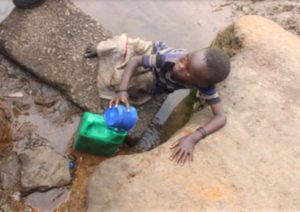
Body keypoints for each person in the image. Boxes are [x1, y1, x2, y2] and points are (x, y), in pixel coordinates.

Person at [85, 41, 230, 166]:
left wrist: (193, 138)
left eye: (188, 72)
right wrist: (122, 91)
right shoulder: (172, 59)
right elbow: (136, 60)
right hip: (153, 53)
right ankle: (101, 49)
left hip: (159, 81)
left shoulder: (206, 86)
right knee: (124, 46)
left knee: (138, 83)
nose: (180, 66)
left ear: (201, 83)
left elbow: (220, 117)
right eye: (186, 58)